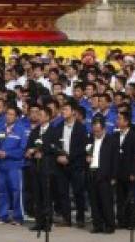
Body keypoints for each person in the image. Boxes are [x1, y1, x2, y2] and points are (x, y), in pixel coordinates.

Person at [53, 98, 87, 228]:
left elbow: (81, 147)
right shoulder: (58, 127)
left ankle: (80, 219)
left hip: (75, 164)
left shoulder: (81, 128)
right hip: (61, 164)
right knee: (63, 192)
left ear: (73, 112)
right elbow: (54, 144)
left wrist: (69, 158)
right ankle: (66, 218)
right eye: (62, 109)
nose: (63, 112)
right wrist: (58, 155)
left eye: (66, 109)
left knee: (78, 192)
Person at [0, 105, 27, 225]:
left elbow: (22, 149)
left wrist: (8, 153)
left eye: (12, 114)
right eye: (7, 114)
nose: (9, 116)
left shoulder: (21, 130)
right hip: (1, 164)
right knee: (1, 190)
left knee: (16, 191)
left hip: (14, 165)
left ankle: (17, 217)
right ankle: (2, 215)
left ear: (16, 117)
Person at [26, 106, 57, 233]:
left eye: (42, 115)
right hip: (35, 167)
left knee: (47, 196)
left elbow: (55, 147)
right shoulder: (35, 131)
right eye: (38, 115)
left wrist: (42, 151)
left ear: (48, 117)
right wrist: (30, 151)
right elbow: (29, 145)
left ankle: (48, 222)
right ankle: (39, 222)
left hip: (47, 168)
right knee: (37, 196)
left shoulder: (54, 131)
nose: (39, 117)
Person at [86, 115, 117, 234]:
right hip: (92, 173)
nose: (96, 133)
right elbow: (86, 153)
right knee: (94, 202)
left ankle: (110, 225)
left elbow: (115, 160)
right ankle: (97, 225)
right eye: (94, 130)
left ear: (104, 129)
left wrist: (113, 176)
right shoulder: (90, 139)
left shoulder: (111, 140)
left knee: (106, 202)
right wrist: (87, 158)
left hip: (105, 175)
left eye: (98, 131)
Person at [114, 108, 135, 229]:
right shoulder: (115, 135)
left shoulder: (134, 136)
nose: (117, 121)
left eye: (119, 119)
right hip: (118, 172)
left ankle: (131, 221)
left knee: (130, 198)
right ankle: (121, 220)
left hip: (129, 171)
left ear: (127, 121)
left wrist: (134, 172)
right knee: (120, 197)